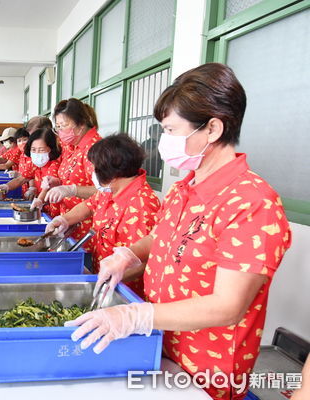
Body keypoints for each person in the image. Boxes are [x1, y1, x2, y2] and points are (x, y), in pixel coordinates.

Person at [66, 63, 292, 400]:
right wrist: (129, 253)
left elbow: (228, 305)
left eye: (172, 130)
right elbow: (162, 236)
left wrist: (136, 316)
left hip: (206, 368)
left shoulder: (252, 203)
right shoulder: (184, 188)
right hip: (163, 344)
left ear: (213, 128)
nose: (164, 142)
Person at [44, 134, 160, 296]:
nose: (93, 175)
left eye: (95, 169)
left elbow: (142, 262)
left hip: (122, 289)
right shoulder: (110, 189)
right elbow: (89, 205)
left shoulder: (142, 205)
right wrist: (64, 219)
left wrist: (102, 281)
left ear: (111, 172)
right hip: (100, 275)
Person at [42, 98, 101, 252]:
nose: (61, 131)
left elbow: (105, 191)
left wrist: (71, 190)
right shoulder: (72, 146)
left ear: (81, 124)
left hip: (88, 225)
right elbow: (70, 176)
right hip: (69, 221)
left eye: (64, 126)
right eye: (58, 127)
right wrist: (57, 182)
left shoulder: (95, 149)